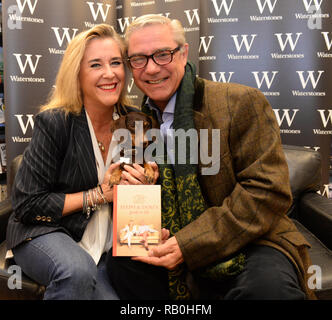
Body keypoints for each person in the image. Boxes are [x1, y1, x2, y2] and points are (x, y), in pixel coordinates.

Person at [106, 14, 316, 300]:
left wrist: (188, 243)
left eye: (162, 55)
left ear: (183, 53)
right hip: (171, 237)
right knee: (123, 267)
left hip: (254, 239)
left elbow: (266, 193)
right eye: (139, 59)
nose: (151, 69)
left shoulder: (240, 102)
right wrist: (132, 190)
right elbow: (142, 203)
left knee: (266, 291)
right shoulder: (135, 123)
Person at [5, 24, 158, 300]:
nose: (109, 73)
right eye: (96, 65)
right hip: (46, 231)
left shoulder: (136, 121)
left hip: (107, 245)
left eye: (115, 63)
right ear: (77, 74)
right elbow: (27, 204)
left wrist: (147, 182)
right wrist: (99, 194)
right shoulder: (56, 122)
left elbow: (142, 202)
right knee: (76, 271)